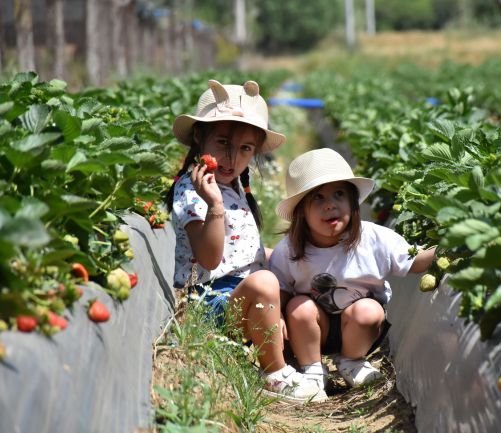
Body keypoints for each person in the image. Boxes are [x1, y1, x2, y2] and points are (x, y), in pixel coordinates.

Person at [165, 79, 326, 403]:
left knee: (291, 275)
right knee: (267, 281)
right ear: (199, 137)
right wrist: (214, 206)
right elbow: (210, 260)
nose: (231, 158)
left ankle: (309, 364)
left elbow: (245, 252)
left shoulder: (234, 187)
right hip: (211, 302)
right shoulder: (194, 192)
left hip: (238, 294)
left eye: (245, 149)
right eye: (222, 142)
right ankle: (275, 375)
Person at [269, 148, 436, 394]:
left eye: (339, 194)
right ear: (301, 211)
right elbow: (280, 290)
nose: (330, 206)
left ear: (352, 202)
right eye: (318, 198)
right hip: (311, 331)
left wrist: (449, 247)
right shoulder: (291, 249)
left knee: (368, 310)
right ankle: (312, 371)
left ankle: (351, 362)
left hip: (361, 329)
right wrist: (279, 318)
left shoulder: (373, 238)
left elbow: (415, 260)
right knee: (298, 306)